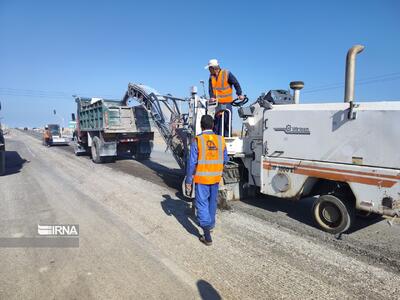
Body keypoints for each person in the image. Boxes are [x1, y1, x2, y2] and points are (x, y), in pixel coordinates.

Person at [185, 115, 228, 246]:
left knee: (202, 204)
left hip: (202, 178)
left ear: (201, 126)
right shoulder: (221, 140)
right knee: (212, 202)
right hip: (215, 178)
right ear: (213, 125)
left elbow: (192, 162)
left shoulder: (197, 140)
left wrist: (188, 180)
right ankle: (211, 225)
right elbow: (225, 159)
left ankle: (207, 235)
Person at [205, 59, 245, 137]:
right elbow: (210, 89)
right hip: (217, 104)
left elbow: (236, 83)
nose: (209, 70)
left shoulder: (226, 73)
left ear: (213, 68)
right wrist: (212, 97)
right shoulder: (211, 77)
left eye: (209, 68)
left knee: (227, 122)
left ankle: (227, 139)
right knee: (217, 123)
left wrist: (239, 94)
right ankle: (216, 139)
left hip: (227, 103)